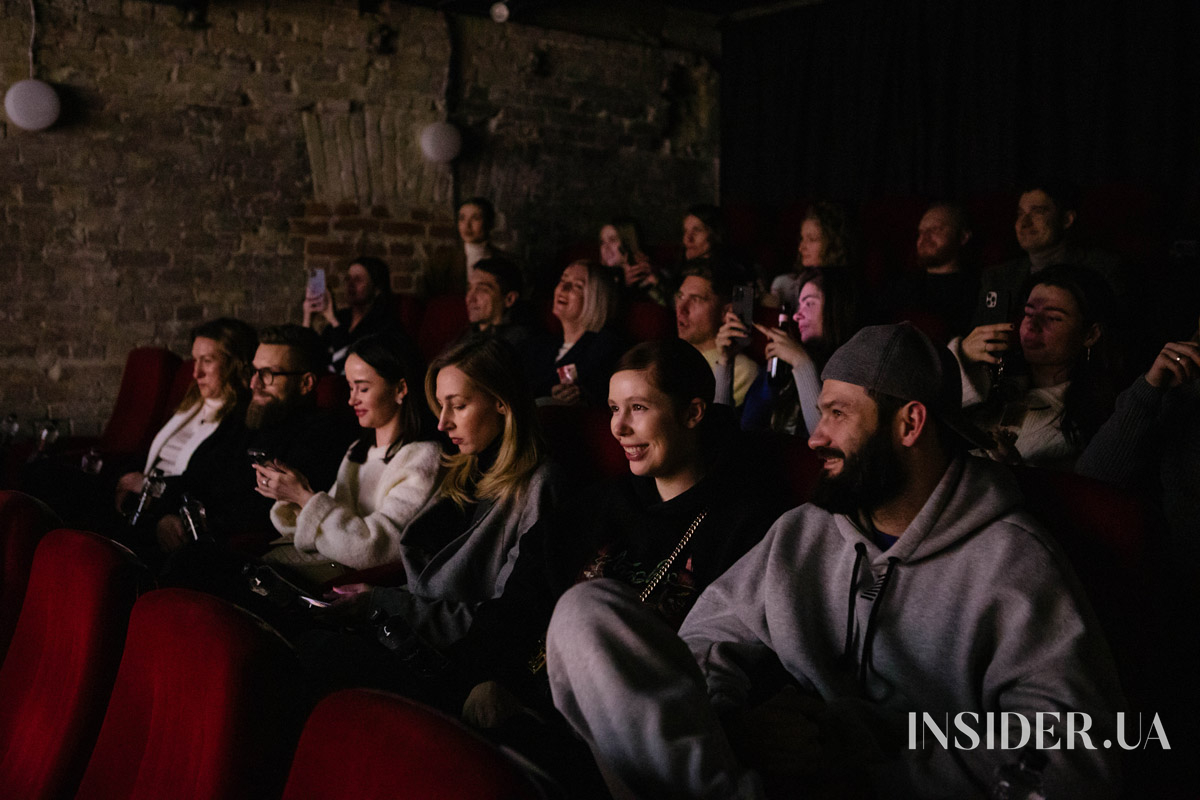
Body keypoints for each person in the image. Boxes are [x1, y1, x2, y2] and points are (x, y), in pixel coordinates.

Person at [546, 322, 1124, 799]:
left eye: (838, 414)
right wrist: (733, 724)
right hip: (751, 778)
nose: (815, 438)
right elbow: (705, 640)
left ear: (910, 423)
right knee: (585, 615)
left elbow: (1074, 759)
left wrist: (859, 754)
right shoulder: (806, 530)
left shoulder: (1014, 563)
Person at [448, 339, 788, 790]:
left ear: (693, 413)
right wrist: (484, 677)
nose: (619, 429)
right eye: (612, 409)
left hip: (639, 750)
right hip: (526, 718)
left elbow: (728, 663)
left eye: (639, 408)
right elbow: (517, 604)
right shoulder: (594, 506)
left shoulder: (745, 525)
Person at [342, 336, 563, 651]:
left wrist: (384, 602)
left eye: (458, 406)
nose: (443, 424)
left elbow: (503, 619)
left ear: (502, 402)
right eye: (440, 405)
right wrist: (377, 597)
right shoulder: (462, 471)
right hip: (412, 632)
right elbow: (428, 583)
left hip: (457, 653)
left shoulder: (540, 484)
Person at [149, 324, 357, 554]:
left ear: (306, 383)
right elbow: (196, 474)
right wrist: (165, 515)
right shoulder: (245, 416)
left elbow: (266, 514)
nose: (254, 384)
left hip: (232, 553)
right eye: (255, 371)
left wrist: (193, 526)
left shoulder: (324, 434)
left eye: (268, 375)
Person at [255, 332, 441, 584]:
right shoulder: (358, 450)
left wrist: (303, 496)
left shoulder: (423, 456)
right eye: (350, 387)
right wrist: (294, 496)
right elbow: (334, 527)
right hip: (334, 566)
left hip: (365, 585)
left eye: (363, 388)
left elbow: (376, 548)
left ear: (400, 388)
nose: (352, 399)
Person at [114, 318, 258, 553]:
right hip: (140, 501)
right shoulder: (192, 402)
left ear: (234, 364)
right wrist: (123, 478)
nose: (196, 372)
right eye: (195, 360)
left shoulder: (241, 419)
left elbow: (210, 483)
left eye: (208, 361)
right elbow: (149, 452)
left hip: (169, 507)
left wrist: (152, 486)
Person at [952, 264, 1116, 469]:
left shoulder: (1079, 423)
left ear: (1090, 335)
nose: (1032, 325)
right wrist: (959, 359)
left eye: (1053, 318)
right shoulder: (992, 375)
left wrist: (1013, 464)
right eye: (1028, 314)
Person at [717, 267, 860, 436]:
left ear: (837, 309)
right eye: (799, 305)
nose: (796, 316)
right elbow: (728, 433)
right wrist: (725, 362)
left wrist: (802, 363)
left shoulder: (853, 374)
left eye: (809, 303)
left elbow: (826, 441)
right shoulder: (783, 369)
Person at [968, 181, 1123, 331]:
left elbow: (1112, 333)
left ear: (1067, 219)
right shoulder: (998, 276)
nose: (1024, 223)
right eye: (1020, 213)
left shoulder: (1102, 268)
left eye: (1038, 212)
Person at [529, 259, 623, 406]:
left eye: (577, 286)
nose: (563, 288)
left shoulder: (606, 346)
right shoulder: (541, 344)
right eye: (562, 280)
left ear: (596, 299)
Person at [885, 202, 979, 339]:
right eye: (921, 232)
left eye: (936, 229)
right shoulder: (898, 287)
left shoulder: (977, 288)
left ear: (964, 236)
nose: (925, 238)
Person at [676, 260, 760, 408]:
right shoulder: (669, 353)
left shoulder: (742, 369)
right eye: (681, 296)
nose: (681, 308)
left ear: (726, 312)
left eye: (696, 299)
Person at [302, 256, 402, 374]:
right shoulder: (343, 317)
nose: (350, 284)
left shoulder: (383, 323)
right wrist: (308, 317)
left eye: (358, 279)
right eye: (348, 278)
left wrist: (332, 319)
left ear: (377, 289)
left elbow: (347, 362)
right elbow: (308, 356)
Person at [769, 201, 854, 307]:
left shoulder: (841, 291)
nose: (801, 248)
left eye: (812, 239)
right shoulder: (790, 282)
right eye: (802, 239)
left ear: (833, 243)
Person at [419, 197, 506, 298]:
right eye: (462, 218)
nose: (467, 225)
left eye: (475, 218)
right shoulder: (440, 263)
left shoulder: (505, 261)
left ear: (489, 223)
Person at [454, 256, 536, 358]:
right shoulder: (465, 337)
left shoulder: (520, 345)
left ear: (509, 299)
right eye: (469, 288)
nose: (470, 298)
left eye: (482, 289)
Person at [599, 217, 667, 305]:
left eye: (613, 240)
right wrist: (623, 285)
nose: (605, 248)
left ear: (628, 242)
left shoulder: (648, 271)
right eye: (602, 242)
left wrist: (657, 280)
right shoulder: (598, 277)